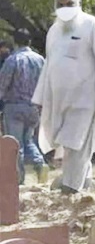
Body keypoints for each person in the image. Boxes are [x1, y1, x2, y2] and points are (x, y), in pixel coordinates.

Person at [33, 0, 95, 194]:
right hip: (59, 100)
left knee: (76, 142)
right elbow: (49, 64)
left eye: (69, 4)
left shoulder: (93, 26)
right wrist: (41, 97)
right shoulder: (53, 31)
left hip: (85, 98)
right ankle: (84, 182)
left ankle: (71, 187)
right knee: (66, 143)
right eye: (60, 5)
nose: (65, 8)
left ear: (79, 4)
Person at [0, 28, 47, 184]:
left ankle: (18, 178)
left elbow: (3, 84)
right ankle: (40, 164)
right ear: (30, 42)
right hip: (34, 107)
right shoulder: (40, 60)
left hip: (14, 106)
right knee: (28, 140)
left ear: (15, 41)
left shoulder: (13, 60)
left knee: (15, 144)